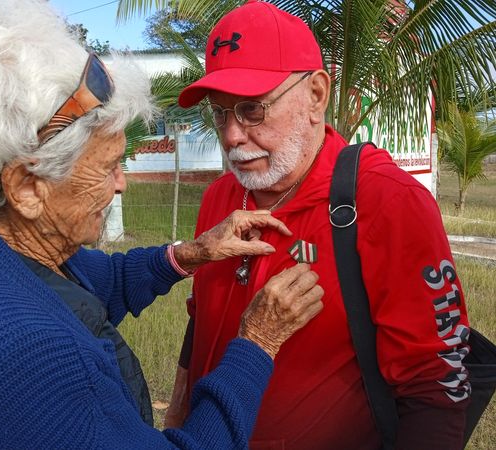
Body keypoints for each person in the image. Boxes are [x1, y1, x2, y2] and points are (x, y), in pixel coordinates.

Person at [0, 0, 325, 447]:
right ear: (25, 186)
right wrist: (257, 343)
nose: (121, 184)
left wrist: (188, 254)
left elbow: (95, 283)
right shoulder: (40, 360)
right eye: (108, 166)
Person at [166, 1, 471, 449]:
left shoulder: (387, 200)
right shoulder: (220, 197)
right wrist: (177, 412)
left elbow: (436, 387)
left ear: (315, 95)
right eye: (219, 113)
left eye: (252, 110)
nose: (231, 136)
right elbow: (202, 320)